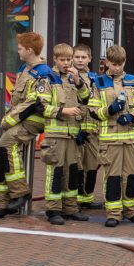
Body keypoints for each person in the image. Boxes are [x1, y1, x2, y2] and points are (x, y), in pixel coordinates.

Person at [0, 31, 50, 218]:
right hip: (20, 118)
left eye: (19, 48)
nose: (17, 51)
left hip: (32, 119)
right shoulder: (25, 69)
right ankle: (4, 202)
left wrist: (9, 120)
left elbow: (33, 102)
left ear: (29, 50)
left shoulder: (43, 73)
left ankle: (20, 192)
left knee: (7, 144)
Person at [88, 45, 134, 227]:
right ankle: (113, 214)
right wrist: (110, 110)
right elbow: (93, 111)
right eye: (114, 64)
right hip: (109, 140)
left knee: (132, 175)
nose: (118, 68)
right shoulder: (98, 83)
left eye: (120, 64)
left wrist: (132, 116)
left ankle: (130, 211)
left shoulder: (133, 81)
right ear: (106, 63)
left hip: (130, 138)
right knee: (112, 177)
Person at [41, 43, 91, 225]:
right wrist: (65, 111)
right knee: (56, 172)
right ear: (55, 59)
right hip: (55, 136)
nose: (66, 63)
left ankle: (70, 208)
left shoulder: (74, 78)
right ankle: (53, 209)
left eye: (68, 59)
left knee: (72, 172)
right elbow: (41, 107)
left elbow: (87, 98)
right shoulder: (47, 79)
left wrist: (78, 81)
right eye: (62, 60)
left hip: (73, 135)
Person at [72, 43, 103, 209]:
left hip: (92, 127)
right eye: (77, 57)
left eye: (83, 57)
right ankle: (75, 199)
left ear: (90, 59)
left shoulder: (95, 79)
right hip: (75, 127)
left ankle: (87, 198)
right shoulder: (68, 77)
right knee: (77, 164)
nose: (80, 60)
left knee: (91, 164)